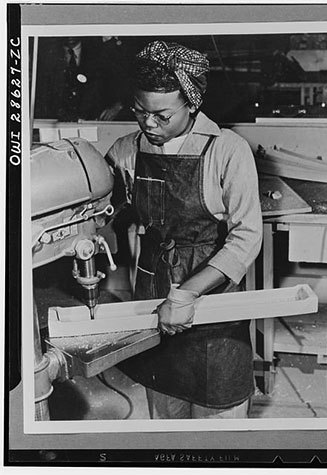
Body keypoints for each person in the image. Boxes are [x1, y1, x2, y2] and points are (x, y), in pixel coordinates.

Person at [106, 41, 263, 419]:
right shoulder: (127, 149)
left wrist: (187, 294)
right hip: (153, 293)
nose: (148, 124)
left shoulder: (226, 150)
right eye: (140, 112)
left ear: (191, 104)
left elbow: (246, 237)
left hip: (211, 297)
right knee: (164, 417)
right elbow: (105, 212)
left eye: (162, 115)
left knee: (220, 423)